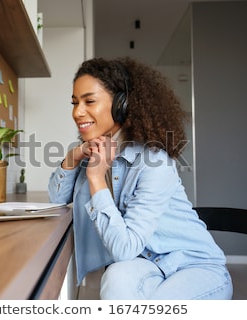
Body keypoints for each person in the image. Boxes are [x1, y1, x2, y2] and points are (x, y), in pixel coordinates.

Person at [48, 57, 233, 300]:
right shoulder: (93, 154)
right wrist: (73, 157)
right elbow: (57, 197)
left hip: (193, 265)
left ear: (121, 105)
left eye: (89, 101)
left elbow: (124, 248)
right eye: (74, 103)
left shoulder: (155, 162)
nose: (77, 112)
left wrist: (96, 179)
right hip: (146, 265)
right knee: (116, 278)